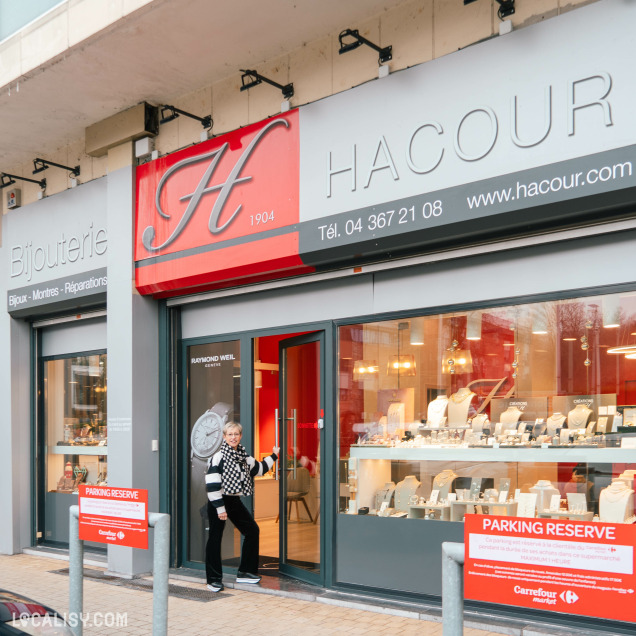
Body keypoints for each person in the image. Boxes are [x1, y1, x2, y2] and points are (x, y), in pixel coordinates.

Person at [204, 421, 279, 592]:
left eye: (236, 434)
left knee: (252, 530)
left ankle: (245, 572)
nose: (233, 437)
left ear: (240, 436)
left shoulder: (244, 457)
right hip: (219, 501)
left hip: (233, 500)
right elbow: (212, 484)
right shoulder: (219, 457)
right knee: (215, 539)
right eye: (230, 434)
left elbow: (259, 469)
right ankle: (213, 579)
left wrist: (274, 456)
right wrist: (220, 508)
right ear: (224, 437)